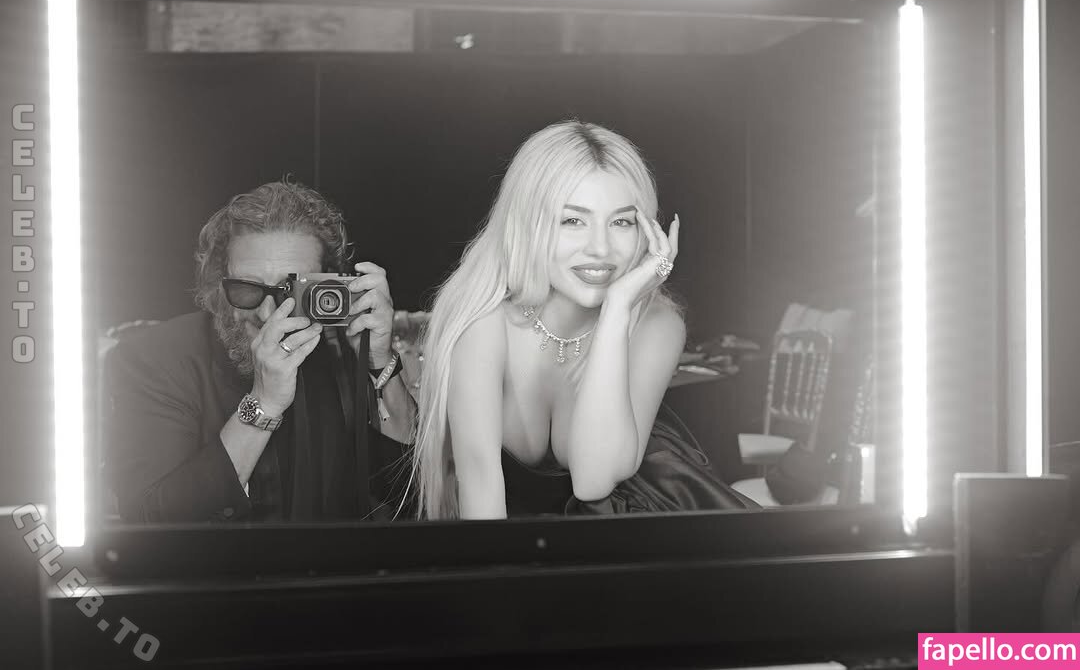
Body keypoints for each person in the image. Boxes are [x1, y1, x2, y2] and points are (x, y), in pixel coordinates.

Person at [411, 121, 753, 520]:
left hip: (633, 540)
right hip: (504, 546)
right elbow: (480, 486)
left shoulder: (657, 325)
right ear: (528, 224)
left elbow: (593, 481)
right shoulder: (483, 322)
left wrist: (617, 310)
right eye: (572, 220)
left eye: (621, 222)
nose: (601, 249)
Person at [106, 180, 415, 523]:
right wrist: (262, 404)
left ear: (328, 285)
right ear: (217, 283)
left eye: (290, 290)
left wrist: (380, 364)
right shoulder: (156, 359)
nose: (268, 314)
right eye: (247, 290)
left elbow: (414, 498)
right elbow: (149, 518)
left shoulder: (344, 348)